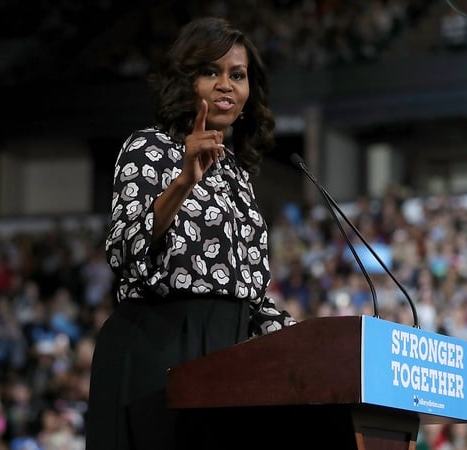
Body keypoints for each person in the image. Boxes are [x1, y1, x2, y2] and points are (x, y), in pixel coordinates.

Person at [85, 16, 298, 449]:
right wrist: (183, 181)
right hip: (158, 351)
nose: (226, 85)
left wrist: (313, 341)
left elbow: (249, 295)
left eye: (237, 75)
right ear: (186, 81)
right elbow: (125, 250)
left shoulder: (239, 177)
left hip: (229, 358)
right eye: (211, 71)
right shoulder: (148, 148)